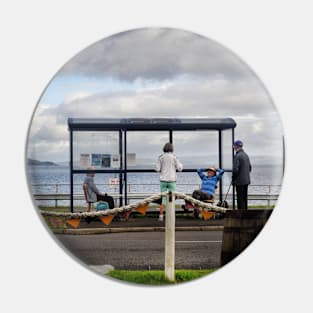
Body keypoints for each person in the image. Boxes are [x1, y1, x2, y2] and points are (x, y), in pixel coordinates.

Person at [155, 142, 183, 221]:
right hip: (172, 180)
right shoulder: (174, 157)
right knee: (171, 198)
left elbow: (157, 169)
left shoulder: (160, 157)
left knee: (163, 198)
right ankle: (170, 216)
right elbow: (180, 168)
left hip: (163, 180)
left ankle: (161, 215)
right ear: (172, 149)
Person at [232, 140, 252, 210]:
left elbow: (235, 170)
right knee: (244, 198)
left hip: (239, 181)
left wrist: (233, 179)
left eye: (233, 145)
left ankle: (240, 215)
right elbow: (250, 168)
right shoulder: (246, 155)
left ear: (235, 146)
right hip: (246, 181)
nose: (233, 147)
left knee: (240, 199)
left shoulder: (237, 156)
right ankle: (246, 214)